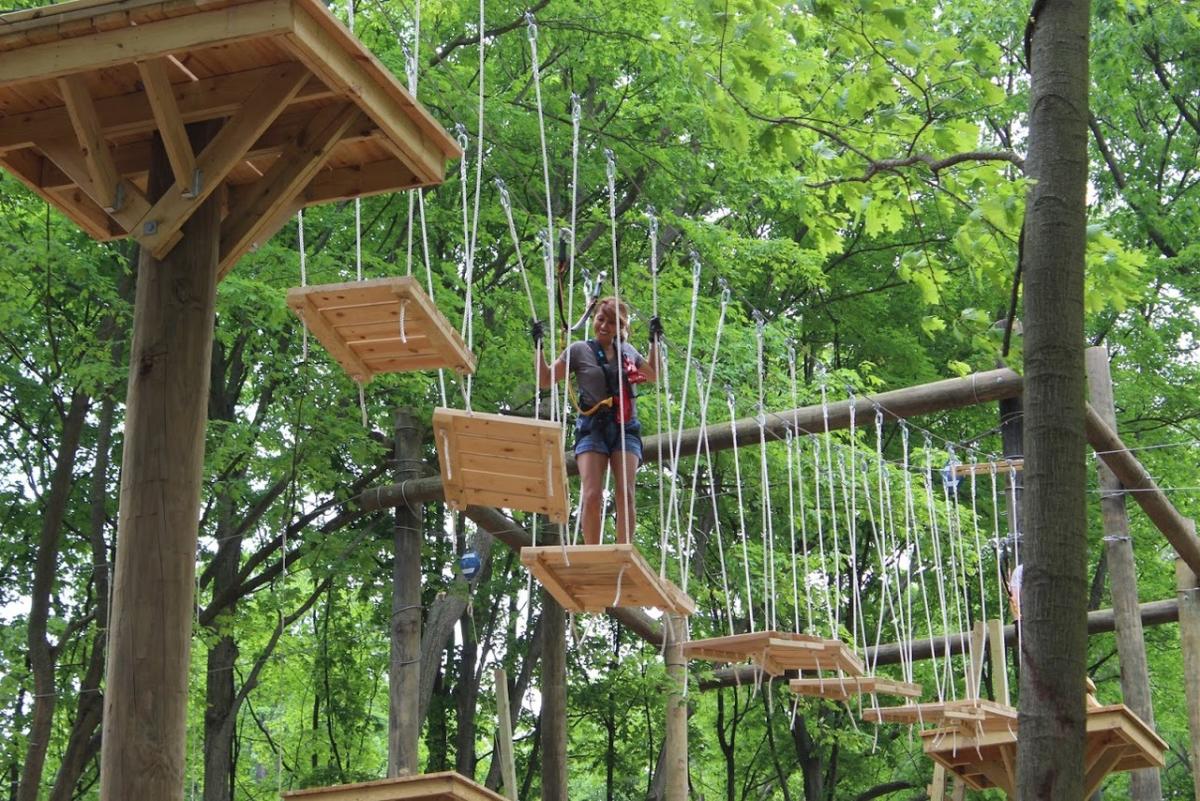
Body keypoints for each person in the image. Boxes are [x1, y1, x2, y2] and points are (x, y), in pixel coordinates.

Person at [535, 297, 662, 546]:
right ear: (593, 319)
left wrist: (654, 342)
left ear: (620, 327)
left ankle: (623, 549)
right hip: (592, 427)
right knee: (592, 494)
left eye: (612, 322)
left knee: (625, 492)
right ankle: (592, 552)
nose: (604, 326)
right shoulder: (579, 350)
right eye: (601, 319)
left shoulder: (627, 351)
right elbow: (545, 379)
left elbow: (653, 375)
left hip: (625, 427)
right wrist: (538, 347)